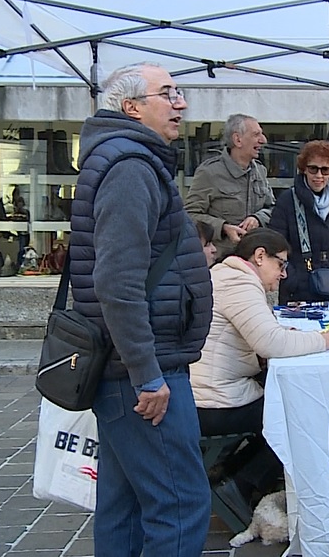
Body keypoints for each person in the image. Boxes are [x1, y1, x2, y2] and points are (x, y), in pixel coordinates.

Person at [70, 62, 214, 556]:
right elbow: (117, 281)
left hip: (125, 368)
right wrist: (147, 374)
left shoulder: (126, 160)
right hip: (141, 373)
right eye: (168, 93)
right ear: (131, 107)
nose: (181, 103)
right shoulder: (130, 167)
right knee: (179, 503)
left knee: (125, 505)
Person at [191, 228, 329, 519]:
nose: (283, 274)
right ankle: (241, 484)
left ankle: (230, 472)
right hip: (215, 402)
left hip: (206, 393)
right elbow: (270, 343)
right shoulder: (240, 283)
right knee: (304, 414)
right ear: (260, 256)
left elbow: (261, 335)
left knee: (289, 403)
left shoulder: (227, 275)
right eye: (281, 264)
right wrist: (326, 340)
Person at [268, 140, 329, 304]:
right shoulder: (287, 200)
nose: (319, 175)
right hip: (297, 292)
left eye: (325, 170)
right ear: (304, 169)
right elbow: (274, 245)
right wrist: (292, 278)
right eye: (313, 169)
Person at [185, 113, 275, 258]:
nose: (263, 140)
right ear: (237, 139)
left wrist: (258, 218)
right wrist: (223, 227)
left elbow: (272, 208)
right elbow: (190, 215)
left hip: (253, 261)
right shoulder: (209, 172)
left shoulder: (260, 171)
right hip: (220, 260)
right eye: (256, 134)